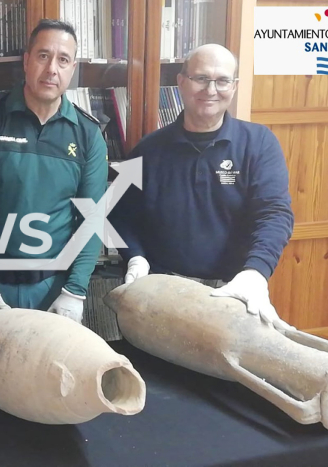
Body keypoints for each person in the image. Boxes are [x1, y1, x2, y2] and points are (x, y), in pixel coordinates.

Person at [113, 43, 294, 331]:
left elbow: (275, 214)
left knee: (227, 377)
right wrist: (135, 257)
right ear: (181, 82)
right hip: (161, 297)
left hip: (232, 296)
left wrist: (255, 273)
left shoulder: (259, 144)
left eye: (222, 80)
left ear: (233, 87)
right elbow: (118, 215)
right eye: (201, 78)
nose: (211, 90)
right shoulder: (147, 150)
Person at [0, 19, 108, 336]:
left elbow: (92, 220)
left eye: (63, 60)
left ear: (72, 68)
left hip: (54, 291)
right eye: (43, 56)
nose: (52, 68)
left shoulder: (88, 134)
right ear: (26, 61)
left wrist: (75, 291)